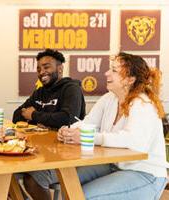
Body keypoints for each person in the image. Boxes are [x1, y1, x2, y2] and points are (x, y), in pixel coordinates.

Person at [23, 52, 168, 200]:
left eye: (114, 70)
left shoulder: (143, 104)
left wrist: (88, 137)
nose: (106, 73)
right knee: (68, 188)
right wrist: (68, 130)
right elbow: (87, 123)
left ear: (130, 79)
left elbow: (134, 143)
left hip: (145, 173)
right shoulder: (109, 98)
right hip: (113, 165)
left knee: (82, 196)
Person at [12, 49, 86, 129]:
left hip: (66, 140)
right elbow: (16, 115)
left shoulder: (72, 89)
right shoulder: (39, 92)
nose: (41, 72)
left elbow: (68, 119)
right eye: (39, 69)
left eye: (46, 67)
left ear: (60, 69)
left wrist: (34, 115)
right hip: (41, 140)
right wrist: (45, 121)